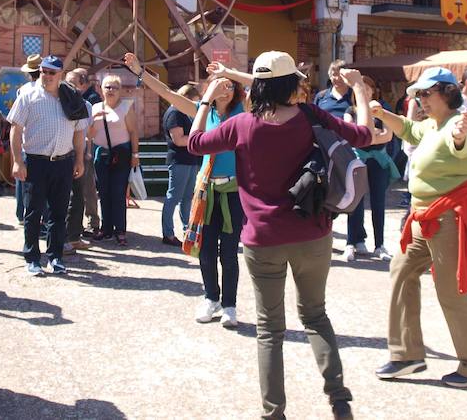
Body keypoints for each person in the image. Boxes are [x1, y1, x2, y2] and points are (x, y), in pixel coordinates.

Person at [188, 51, 374, 420]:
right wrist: (360, 92)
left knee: (269, 330)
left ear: (256, 86)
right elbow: (364, 136)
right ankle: (338, 399)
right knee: (315, 316)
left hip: (262, 239)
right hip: (312, 234)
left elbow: (194, 143)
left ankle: (273, 413)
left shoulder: (241, 124)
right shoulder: (308, 116)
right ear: (293, 84)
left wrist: (208, 97)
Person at [374, 67, 467, 388]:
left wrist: (460, 137)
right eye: (418, 94)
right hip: (423, 216)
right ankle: (407, 355)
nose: (420, 99)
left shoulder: (457, 123)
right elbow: (409, 129)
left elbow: (462, 141)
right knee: (401, 271)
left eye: (427, 93)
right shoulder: (432, 124)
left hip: (449, 216)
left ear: (448, 93)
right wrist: (382, 112)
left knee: (452, 291)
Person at [125, 53, 248, 326]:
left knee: (228, 251)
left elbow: (262, 86)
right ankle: (210, 297)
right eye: (217, 84)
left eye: (228, 85)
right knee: (204, 249)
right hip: (205, 190)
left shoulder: (244, 111)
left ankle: (230, 305)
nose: (223, 89)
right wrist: (140, 72)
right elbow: (168, 93)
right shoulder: (204, 111)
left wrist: (232, 73)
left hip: (233, 190)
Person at [8, 55, 86, 276]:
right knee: (33, 213)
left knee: (59, 213)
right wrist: (17, 161)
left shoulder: (71, 97)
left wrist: (79, 159)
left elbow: (80, 131)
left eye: (52, 72)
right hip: (36, 162)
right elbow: (16, 129)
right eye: (44, 71)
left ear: (60, 74)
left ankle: (55, 257)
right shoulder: (28, 95)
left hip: (63, 162)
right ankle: (32, 258)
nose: (47, 76)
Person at [343, 75, 396, 262]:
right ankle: (351, 242)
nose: (365, 92)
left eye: (368, 89)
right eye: (361, 88)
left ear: (374, 91)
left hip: (378, 161)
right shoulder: (351, 110)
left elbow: (388, 136)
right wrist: (373, 134)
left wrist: (366, 134)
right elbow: (352, 134)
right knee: (355, 201)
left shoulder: (382, 110)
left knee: (378, 202)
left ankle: (379, 245)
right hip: (358, 159)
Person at [87, 73, 137, 246]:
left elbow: (133, 132)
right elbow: (89, 135)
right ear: (101, 89)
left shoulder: (125, 107)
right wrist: (93, 121)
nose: (111, 90)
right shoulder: (95, 108)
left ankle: (120, 230)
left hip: (121, 155)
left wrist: (135, 155)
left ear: (120, 90)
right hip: (101, 155)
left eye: (115, 87)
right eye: (107, 86)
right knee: (104, 192)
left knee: (118, 193)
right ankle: (106, 228)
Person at [160, 83, 202, 246]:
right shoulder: (175, 113)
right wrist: (200, 138)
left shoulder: (183, 112)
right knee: (173, 197)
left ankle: (188, 231)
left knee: (187, 198)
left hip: (190, 160)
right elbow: (178, 140)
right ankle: (168, 234)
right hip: (179, 161)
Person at [63, 68, 96, 250]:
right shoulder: (57, 102)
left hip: (78, 153)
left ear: (82, 85)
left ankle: (73, 236)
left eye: (73, 82)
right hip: (61, 152)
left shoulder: (86, 106)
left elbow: (87, 133)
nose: (69, 86)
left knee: (77, 196)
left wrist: (87, 153)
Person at [13, 54, 42, 225]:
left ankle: (20, 213)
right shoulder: (46, 91)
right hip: (40, 140)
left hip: (24, 137)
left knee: (21, 180)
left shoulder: (22, 90)